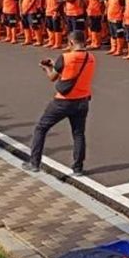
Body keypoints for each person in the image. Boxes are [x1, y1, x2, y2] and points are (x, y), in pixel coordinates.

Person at [25, 30, 96, 176]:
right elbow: (72, 71)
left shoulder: (65, 57)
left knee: (41, 128)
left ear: (71, 42)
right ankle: (78, 168)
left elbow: (53, 77)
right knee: (78, 133)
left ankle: (34, 162)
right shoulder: (91, 57)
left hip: (63, 101)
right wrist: (55, 64)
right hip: (82, 99)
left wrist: (47, 68)